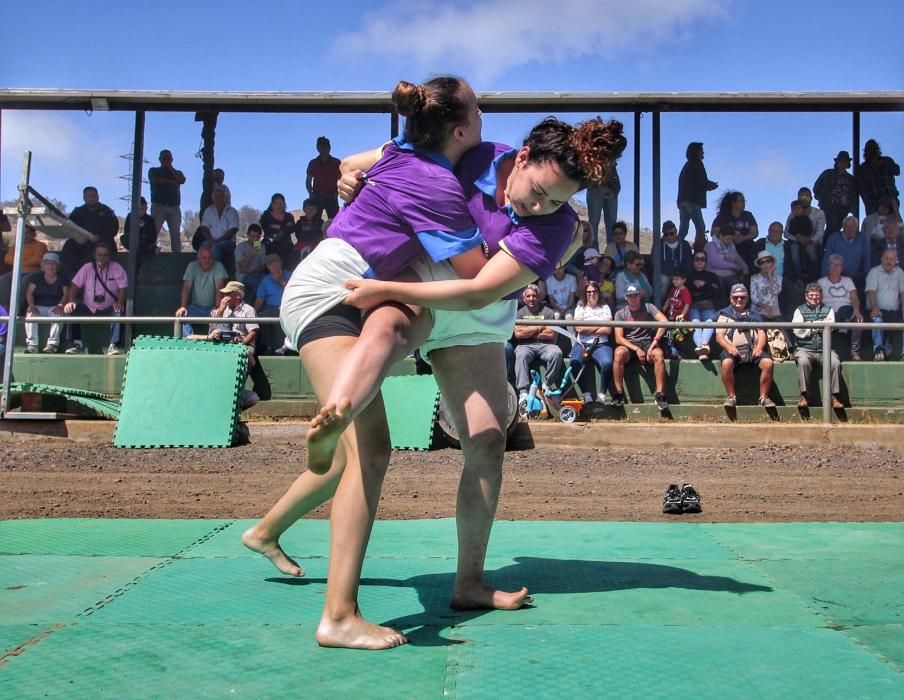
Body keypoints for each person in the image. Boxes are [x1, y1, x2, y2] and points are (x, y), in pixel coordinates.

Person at [246, 76, 625, 651]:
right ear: (520, 157)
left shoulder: (557, 225)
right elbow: (388, 154)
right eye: (537, 190)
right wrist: (350, 168)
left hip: (463, 310)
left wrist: (387, 286)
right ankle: (338, 609)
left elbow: (477, 289)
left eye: (555, 200)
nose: (537, 206)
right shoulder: (473, 152)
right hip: (390, 288)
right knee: (366, 438)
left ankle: (468, 580)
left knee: (486, 439)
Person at [207, 280, 271, 406]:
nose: (225, 297)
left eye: (228, 293)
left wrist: (242, 344)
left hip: (243, 343)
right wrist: (220, 309)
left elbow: (253, 332)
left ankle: (236, 390)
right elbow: (211, 326)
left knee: (243, 357)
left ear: (237, 295)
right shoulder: (222, 309)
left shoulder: (248, 310)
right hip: (224, 343)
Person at [714, 283, 775, 408]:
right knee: (726, 363)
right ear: (731, 298)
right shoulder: (724, 314)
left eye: (742, 297)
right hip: (733, 351)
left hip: (753, 350)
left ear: (747, 298)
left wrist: (759, 348)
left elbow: (762, 333)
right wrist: (730, 348)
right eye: (736, 297)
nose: (739, 300)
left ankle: (764, 397)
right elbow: (719, 337)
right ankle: (731, 398)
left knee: (768, 363)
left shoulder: (754, 314)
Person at [610, 284, 669, 410]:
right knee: (618, 353)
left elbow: (664, 321)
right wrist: (636, 349)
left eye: (635, 295)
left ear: (640, 295)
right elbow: (618, 338)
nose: (633, 298)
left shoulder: (649, 307)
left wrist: (655, 341)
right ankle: (619, 393)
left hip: (647, 343)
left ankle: (660, 394)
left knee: (659, 354)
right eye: (630, 296)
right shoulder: (620, 313)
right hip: (630, 345)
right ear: (626, 297)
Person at [63, 242, 127, 356]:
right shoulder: (87, 267)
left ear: (110, 256)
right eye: (99, 254)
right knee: (71, 309)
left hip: (109, 306)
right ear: (94, 255)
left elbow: (122, 288)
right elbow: (75, 285)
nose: (102, 257)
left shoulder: (117, 268)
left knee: (118, 311)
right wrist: (70, 301)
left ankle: (113, 345)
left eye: (105, 255)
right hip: (89, 306)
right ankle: (76, 344)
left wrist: (120, 302)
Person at [791, 284, 845, 409]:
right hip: (804, 349)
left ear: (821, 295)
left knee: (835, 363)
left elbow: (829, 327)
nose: (814, 297)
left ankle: (834, 398)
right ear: (806, 296)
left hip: (825, 349)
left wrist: (809, 325)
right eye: (811, 295)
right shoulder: (799, 310)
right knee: (803, 362)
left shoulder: (828, 309)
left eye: (817, 294)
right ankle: (804, 396)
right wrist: (818, 326)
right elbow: (798, 331)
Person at [513, 284, 565, 406]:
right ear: (524, 298)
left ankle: (546, 385)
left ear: (539, 297)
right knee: (520, 354)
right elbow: (519, 334)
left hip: (545, 345)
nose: (531, 298)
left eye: (534, 296)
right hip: (526, 346)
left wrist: (529, 332)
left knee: (556, 352)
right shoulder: (519, 313)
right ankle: (523, 393)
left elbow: (550, 334)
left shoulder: (548, 312)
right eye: (528, 296)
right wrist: (538, 327)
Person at [569, 280, 612, 404]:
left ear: (599, 292)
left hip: (601, 344)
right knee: (574, 362)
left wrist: (588, 328)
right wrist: (598, 326)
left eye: (595, 291)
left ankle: (602, 395)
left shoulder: (605, 308)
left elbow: (608, 329)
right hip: (582, 344)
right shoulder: (580, 308)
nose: (592, 294)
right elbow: (579, 329)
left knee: (607, 363)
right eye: (589, 292)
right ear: (585, 293)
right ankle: (586, 394)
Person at [818, 254, 864, 360]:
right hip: (827, 312)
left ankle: (855, 352)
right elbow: (817, 300)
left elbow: (854, 298)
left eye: (838, 265)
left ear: (842, 268)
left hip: (847, 311)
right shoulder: (821, 282)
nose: (835, 267)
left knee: (858, 320)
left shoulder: (847, 281)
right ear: (828, 266)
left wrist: (857, 311)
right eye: (833, 265)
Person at [175, 245, 228, 337]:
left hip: (212, 307)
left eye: (209, 258)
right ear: (198, 258)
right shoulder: (192, 266)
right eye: (204, 258)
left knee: (221, 319)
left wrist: (217, 308)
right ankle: (189, 341)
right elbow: (186, 287)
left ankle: (213, 342)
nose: (207, 260)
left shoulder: (218, 266)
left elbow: (219, 289)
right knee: (182, 316)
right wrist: (183, 307)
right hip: (195, 307)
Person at [24, 252, 68, 353]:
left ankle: (52, 344)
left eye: (53, 263)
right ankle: (32, 344)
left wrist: (60, 305)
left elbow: (66, 294)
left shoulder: (62, 279)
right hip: (38, 306)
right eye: (47, 263)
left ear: (58, 266)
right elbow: (29, 292)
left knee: (59, 315)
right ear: (43, 265)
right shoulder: (36, 277)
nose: (50, 266)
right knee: (30, 314)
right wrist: (32, 305)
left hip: (54, 306)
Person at [677, 141, 718, 248]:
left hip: (683, 201)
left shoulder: (687, 165)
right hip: (692, 200)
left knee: (683, 228)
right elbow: (701, 181)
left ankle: (676, 247)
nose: (703, 153)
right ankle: (699, 249)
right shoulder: (697, 164)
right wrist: (712, 185)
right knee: (700, 227)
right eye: (701, 151)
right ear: (696, 151)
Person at [865, 248, 904, 361]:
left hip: (894, 312)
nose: (889, 261)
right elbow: (871, 291)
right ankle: (878, 350)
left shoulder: (900, 272)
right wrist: (875, 308)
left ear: (896, 260)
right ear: (882, 259)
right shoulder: (874, 271)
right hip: (877, 310)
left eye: (892, 259)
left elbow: (903, 292)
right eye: (886, 258)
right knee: (877, 321)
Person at [148, 149, 186, 253]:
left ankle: (176, 255)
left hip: (174, 207)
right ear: (159, 159)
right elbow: (154, 180)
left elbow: (182, 180)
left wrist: (170, 168)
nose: (166, 160)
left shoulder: (177, 172)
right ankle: (151, 252)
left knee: (175, 233)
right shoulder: (154, 170)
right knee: (153, 232)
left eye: (168, 158)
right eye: (164, 158)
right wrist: (171, 181)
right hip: (158, 205)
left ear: (172, 159)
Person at [686, 249, 722, 359]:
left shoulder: (712, 276)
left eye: (703, 259)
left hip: (708, 305)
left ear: (706, 262)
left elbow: (717, 292)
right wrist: (707, 287)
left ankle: (702, 349)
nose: (700, 261)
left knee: (710, 322)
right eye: (697, 259)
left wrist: (703, 285)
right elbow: (687, 290)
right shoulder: (688, 275)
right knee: (695, 323)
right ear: (693, 261)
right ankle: (704, 349)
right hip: (693, 305)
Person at [711, 191, 758, 270]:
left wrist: (743, 238)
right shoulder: (723, 217)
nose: (743, 203)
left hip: (747, 245)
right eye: (741, 201)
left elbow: (755, 232)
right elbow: (714, 232)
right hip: (728, 246)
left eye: (744, 201)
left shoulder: (748, 215)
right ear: (733, 203)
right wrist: (730, 236)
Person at [821, 215, 870, 289]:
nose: (849, 230)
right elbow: (827, 259)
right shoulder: (834, 238)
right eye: (846, 227)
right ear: (843, 228)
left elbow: (867, 259)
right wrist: (824, 278)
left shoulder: (862, 239)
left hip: (856, 276)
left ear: (857, 228)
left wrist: (868, 278)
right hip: (838, 275)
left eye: (852, 227)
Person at [813, 150, 856, 235]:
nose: (842, 163)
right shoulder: (828, 173)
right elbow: (816, 187)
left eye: (845, 161)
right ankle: (824, 245)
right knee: (832, 226)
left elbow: (853, 194)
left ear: (848, 163)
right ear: (837, 162)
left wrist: (852, 207)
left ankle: (828, 245)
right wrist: (821, 199)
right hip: (829, 206)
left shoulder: (851, 179)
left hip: (843, 208)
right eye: (841, 161)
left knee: (837, 228)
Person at [254, 254, 290, 354]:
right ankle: (269, 348)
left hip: (288, 308)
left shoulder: (291, 275)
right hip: (270, 308)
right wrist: (253, 313)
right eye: (270, 264)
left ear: (281, 263)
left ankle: (284, 348)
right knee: (263, 317)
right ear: (267, 267)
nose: (274, 266)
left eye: (276, 263)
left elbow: (295, 293)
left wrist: (281, 280)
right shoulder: (265, 280)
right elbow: (259, 301)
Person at [704, 224, 748, 305]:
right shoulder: (711, 245)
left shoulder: (731, 247)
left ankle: (738, 309)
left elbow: (737, 258)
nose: (730, 241)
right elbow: (715, 262)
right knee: (720, 284)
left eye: (731, 239)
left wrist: (744, 267)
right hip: (713, 274)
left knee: (738, 286)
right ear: (721, 236)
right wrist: (734, 266)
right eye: (728, 238)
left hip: (730, 275)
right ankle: (722, 309)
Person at [69, 186, 119, 253]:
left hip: (102, 242)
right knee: (69, 245)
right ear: (84, 198)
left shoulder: (107, 211)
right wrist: (77, 237)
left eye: (93, 196)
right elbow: (70, 227)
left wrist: (99, 237)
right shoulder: (77, 212)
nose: (91, 198)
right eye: (88, 196)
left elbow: (113, 229)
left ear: (98, 197)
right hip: (82, 242)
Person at [197, 186, 239, 264]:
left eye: (221, 196)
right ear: (213, 198)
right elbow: (204, 228)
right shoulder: (208, 211)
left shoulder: (232, 212)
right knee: (203, 247)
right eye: (216, 197)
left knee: (216, 248)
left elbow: (233, 230)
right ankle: (203, 273)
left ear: (225, 198)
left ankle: (216, 274)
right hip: (211, 240)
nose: (218, 199)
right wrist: (211, 240)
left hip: (228, 242)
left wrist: (218, 241)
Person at [858, 139, 900, 218]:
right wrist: (867, 202)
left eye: (873, 149)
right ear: (866, 152)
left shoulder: (886, 160)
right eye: (869, 149)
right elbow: (860, 188)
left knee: (893, 223)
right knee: (874, 226)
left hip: (889, 198)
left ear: (877, 150)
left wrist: (885, 164)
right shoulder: (863, 168)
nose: (872, 152)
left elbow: (897, 171)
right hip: (872, 202)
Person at [306, 136, 342, 219]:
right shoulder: (313, 163)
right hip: (317, 196)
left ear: (330, 147)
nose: (324, 149)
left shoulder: (336, 162)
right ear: (317, 148)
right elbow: (308, 181)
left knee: (334, 222)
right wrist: (311, 194)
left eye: (326, 146)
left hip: (332, 196)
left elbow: (341, 179)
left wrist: (337, 193)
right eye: (321, 147)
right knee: (315, 223)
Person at [585, 161, 620, 247]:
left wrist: (614, 191)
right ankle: (593, 252)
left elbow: (616, 182)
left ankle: (612, 252)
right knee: (593, 221)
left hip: (611, 190)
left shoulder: (612, 165)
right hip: (595, 187)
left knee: (611, 222)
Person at [658, 219, 693, 302]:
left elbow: (688, 263)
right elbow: (655, 263)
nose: (669, 236)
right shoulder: (658, 245)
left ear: (676, 231)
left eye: (671, 233)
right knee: (664, 280)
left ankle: (685, 305)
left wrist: (680, 275)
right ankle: (660, 304)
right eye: (666, 234)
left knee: (687, 280)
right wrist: (670, 274)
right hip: (665, 275)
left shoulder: (685, 245)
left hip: (681, 275)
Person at [260, 193, 296, 265]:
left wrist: (276, 226)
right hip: (270, 245)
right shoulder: (266, 215)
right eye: (276, 203)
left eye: (281, 203)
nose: (279, 205)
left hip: (286, 246)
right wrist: (284, 227)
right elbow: (265, 228)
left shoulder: (289, 216)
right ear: (272, 204)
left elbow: (291, 229)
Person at [120, 196, 159, 264]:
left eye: (145, 208)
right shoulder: (130, 216)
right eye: (141, 208)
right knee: (123, 238)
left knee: (143, 245)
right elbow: (127, 231)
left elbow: (152, 236)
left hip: (144, 242)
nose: (143, 210)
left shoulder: (149, 219)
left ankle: (147, 251)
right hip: (133, 241)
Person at [663, 269, 691, 358]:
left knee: (679, 338)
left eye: (677, 279)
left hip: (680, 320)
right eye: (673, 279)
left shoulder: (685, 291)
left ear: (683, 280)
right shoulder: (673, 289)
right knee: (669, 337)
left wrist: (682, 314)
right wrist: (665, 306)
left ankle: (681, 355)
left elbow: (687, 304)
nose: (674, 281)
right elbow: (669, 298)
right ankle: (671, 353)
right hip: (671, 317)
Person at [234, 224, 267, 301]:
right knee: (259, 285)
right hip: (243, 275)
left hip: (257, 273)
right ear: (248, 235)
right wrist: (250, 255)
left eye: (257, 237)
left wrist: (253, 271)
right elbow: (241, 269)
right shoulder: (240, 247)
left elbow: (263, 265)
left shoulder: (261, 247)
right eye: (252, 236)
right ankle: (249, 304)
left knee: (268, 282)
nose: (255, 239)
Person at [750, 250, 783, 322]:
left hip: (774, 312)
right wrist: (765, 307)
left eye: (768, 261)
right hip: (758, 312)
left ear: (772, 263)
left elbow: (776, 291)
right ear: (759, 265)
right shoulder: (754, 278)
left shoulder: (779, 278)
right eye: (762, 263)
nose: (765, 264)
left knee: (783, 333)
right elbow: (753, 297)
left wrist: (770, 276)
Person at [293, 198, 325, 266]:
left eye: (313, 208)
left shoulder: (320, 222)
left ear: (316, 210)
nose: (311, 211)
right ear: (304, 210)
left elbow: (321, 235)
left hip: (317, 246)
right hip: (302, 247)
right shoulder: (300, 223)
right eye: (308, 208)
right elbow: (299, 236)